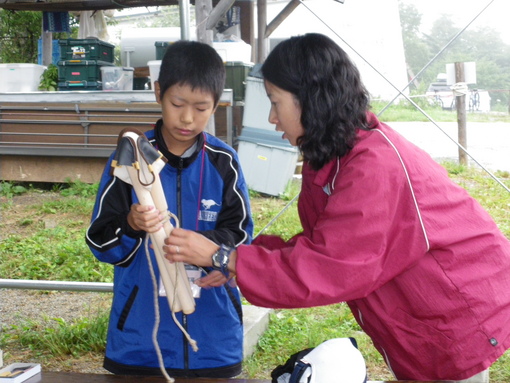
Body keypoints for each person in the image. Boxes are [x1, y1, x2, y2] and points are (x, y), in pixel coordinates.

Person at [163, 33, 510, 382]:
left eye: (275, 101)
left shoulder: (374, 165)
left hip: (455, 311)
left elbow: (331, 266)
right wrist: (238, 256)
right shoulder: (331, 154)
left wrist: (227, 258)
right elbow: (322, 244)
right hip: (417, 312)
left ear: (310, 99)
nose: (272, 118)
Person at [86, 40, 253, 378]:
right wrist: (132, 224)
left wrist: (221, 258)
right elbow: (100, 240)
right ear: (158, 92)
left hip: (212, 339)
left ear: (216, 105)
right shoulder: (130, 158)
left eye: (201, 107)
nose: (188, 118)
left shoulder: (224, 163)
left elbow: (240, 235)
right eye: (177, 103)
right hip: (140, 340)